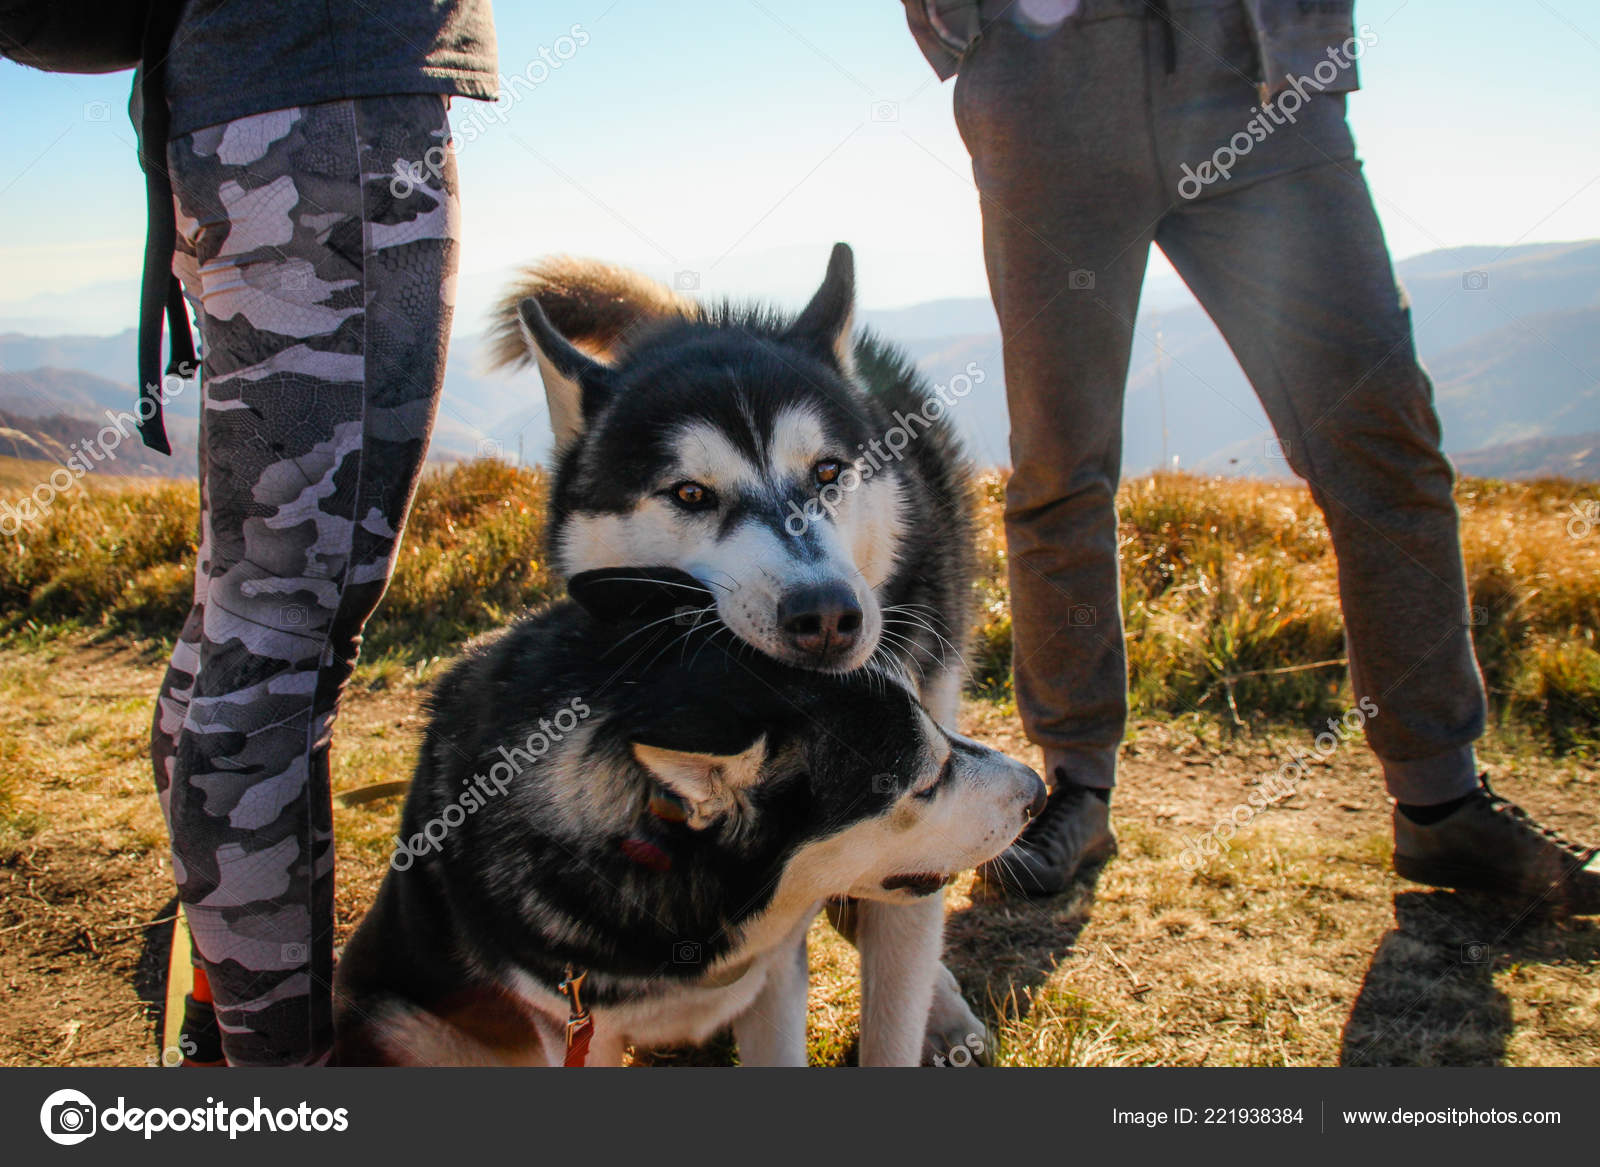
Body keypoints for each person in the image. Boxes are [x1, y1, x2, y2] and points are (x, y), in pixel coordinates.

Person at [902, 0, 1600, 908]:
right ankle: (1077, 790)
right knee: (1060, 464)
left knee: (1378, 435)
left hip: (1253, 66)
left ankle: (1439, 803)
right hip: (1045, 78)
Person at [144, 1, 497, 1066]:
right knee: (277, 648)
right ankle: (284, 1083)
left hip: (231, 116)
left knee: (238, 616)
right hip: (328, 117)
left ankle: (230, 1011)